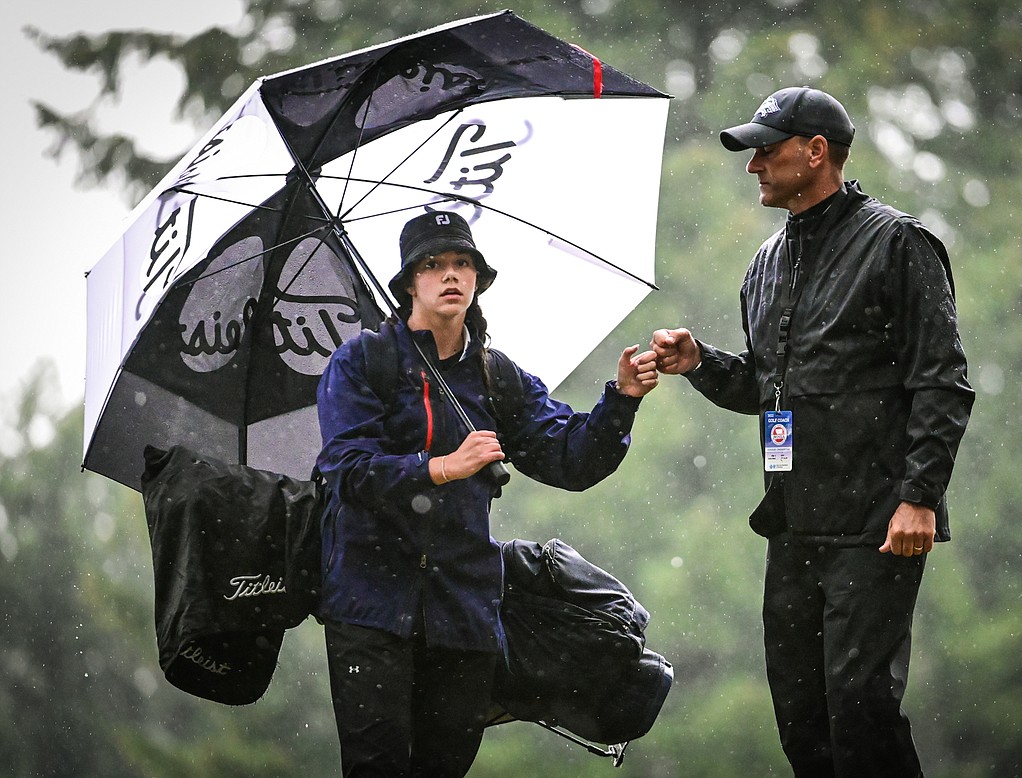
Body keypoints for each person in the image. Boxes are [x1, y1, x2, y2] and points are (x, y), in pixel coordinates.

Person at [652, 87, 975, 776]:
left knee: (860, 711)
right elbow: (768, 389)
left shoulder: (898, 243)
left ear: (816, 152)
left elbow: (941, 381)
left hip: (878, 524)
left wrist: (919, 496)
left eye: (767, 151)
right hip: (794, 528)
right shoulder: (763, 266)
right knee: (802, 723)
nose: (754, 166)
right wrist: (699, 363)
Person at [315, 210, 658, 777]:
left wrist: (621, 398)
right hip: (369, 608)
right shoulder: (361, 363)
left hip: (464, 612)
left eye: (462, 263)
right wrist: (442, 468)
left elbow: (571, 459)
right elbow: (347, 473)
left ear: (477, 279)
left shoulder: (496, 375)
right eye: (433, 264)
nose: (450, 275)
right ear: (408, 283)